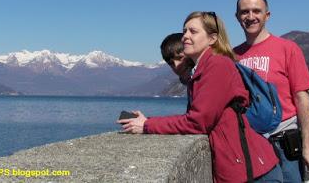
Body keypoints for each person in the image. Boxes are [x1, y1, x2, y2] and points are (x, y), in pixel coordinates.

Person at [118, 11, 281, 183]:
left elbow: (199, 121)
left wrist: (148, 125)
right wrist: (147, 120)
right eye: (185, 31)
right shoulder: (201, 70)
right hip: (242, 168)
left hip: (254, 173)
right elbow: (200, 116)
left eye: (193, 32)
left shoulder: (218, 65)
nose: (185, 37)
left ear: (212, 39)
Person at [234, 0, 309, 182]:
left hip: (285, 145)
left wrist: (308, 146)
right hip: (252, 146)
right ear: (237, 17)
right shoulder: (233, 56)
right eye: (244, 11)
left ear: (267, 15)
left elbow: (302, 98)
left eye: (256, 11)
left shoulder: (287, 49)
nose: (250, 16)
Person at [160, 33, 195, 110]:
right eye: (171, 63)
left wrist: (149, 122)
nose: (176, 65)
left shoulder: (208, 77)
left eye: (180, 58)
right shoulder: (190, 82)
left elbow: (197, 119)